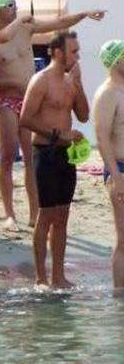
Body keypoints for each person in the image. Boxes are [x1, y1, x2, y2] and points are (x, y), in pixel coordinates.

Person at [0, 0, 105, 230]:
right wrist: (10, 85)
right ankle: (9, 214)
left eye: (15, 4)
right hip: (8, 101)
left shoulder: (25, 29)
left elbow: (59, 24)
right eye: (10, 5)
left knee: (31, 158)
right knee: (8, 157)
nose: (15, 8)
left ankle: (33, 210)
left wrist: (83, 14)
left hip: (31, 99)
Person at [20, 31, 89, 290]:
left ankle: (58, 276)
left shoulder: (71, 81)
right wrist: (59, 135)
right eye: (74, 51)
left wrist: (80, 85)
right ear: (58, 52)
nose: (78, 56)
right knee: (46, 215)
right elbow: (25, 119)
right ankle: (40, 277)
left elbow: (83, 115)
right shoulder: (41, 80)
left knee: (63, 216)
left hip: (65, 155)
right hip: (46, 152)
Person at [94, 40, 124, 288]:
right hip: (121, 169)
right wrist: (116, 177)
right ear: (116, 61)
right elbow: (102, 138)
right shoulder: (107, 93)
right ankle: (119, 299)